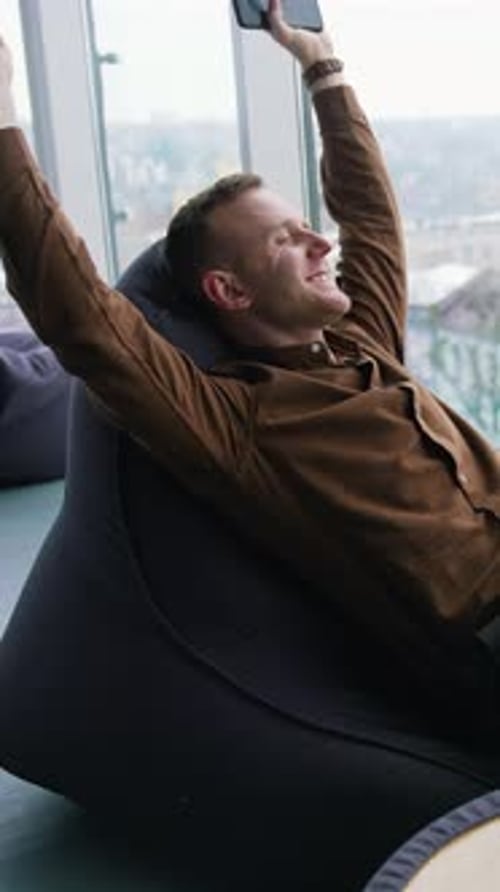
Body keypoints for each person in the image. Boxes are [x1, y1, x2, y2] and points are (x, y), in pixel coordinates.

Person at [0, 0, 499, 726]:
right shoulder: (236, 421)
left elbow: (369, 218)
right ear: (228, 290)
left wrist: (320, 63)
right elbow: (83, 320)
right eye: (285, 243)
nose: (322, 246)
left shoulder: (362, 344)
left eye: (308, 230)